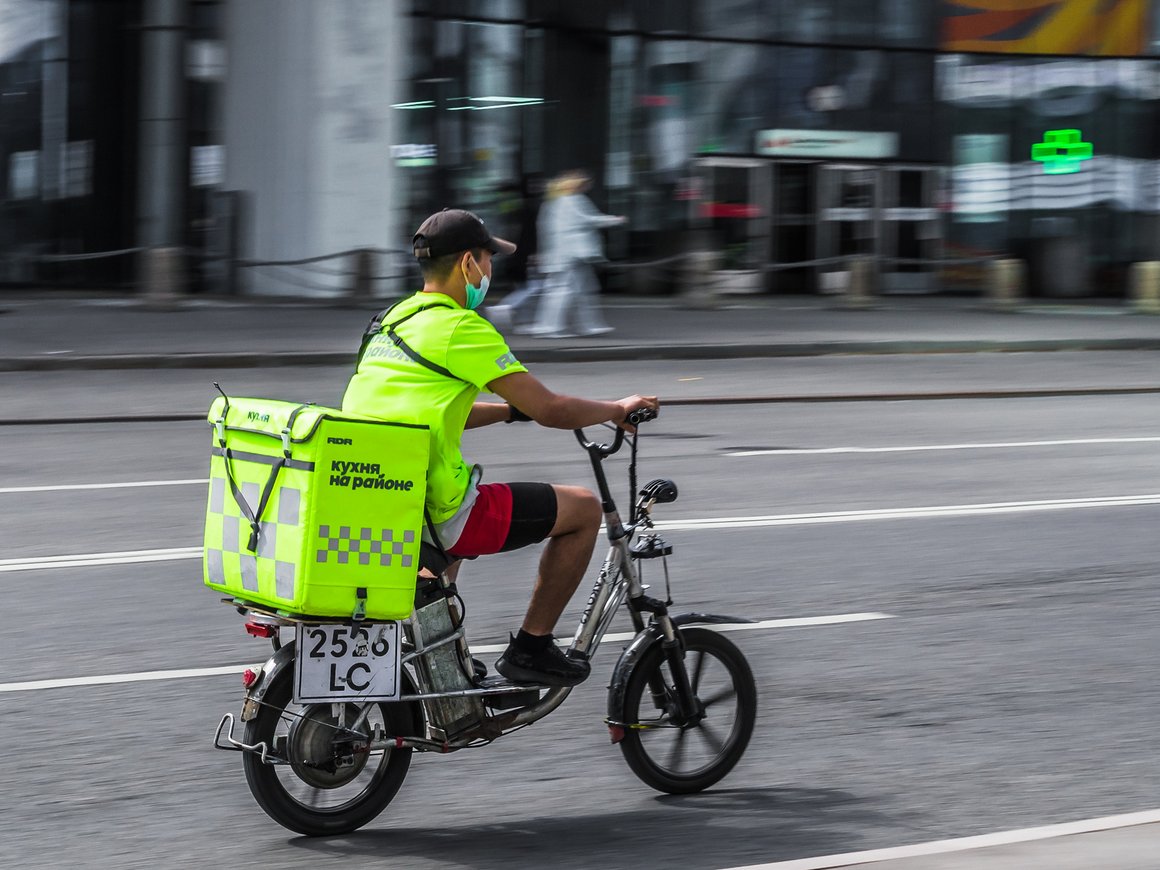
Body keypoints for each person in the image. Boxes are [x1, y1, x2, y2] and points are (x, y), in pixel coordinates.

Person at [342, 208, 659, 687]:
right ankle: (532, 648)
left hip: (382, 497)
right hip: (436, 506)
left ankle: (445, 664)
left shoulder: (389, 322)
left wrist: (509, 411)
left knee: (457, 536)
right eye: (488, 260)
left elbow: (433, 410)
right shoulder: (461, 328)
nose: (490, 271)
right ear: (468, 263)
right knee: (582, 509)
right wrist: (616, 408)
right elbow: (551, 408)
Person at [530, 170, 626, 338]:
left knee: (578, 290)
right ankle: (550, 327)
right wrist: (614, 220)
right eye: (585, 184)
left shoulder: (554, 202)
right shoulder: (572, 200)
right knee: (566, 291)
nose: (587, 187)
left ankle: (585, 325)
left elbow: (546, 230)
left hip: (564, 255)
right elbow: (587, 219)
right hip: (571, 255)